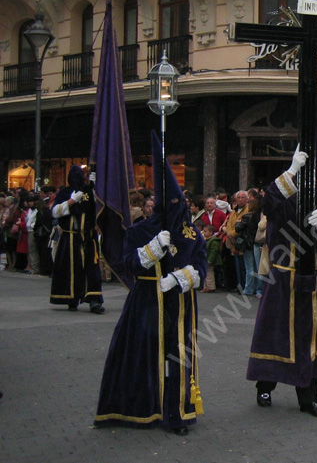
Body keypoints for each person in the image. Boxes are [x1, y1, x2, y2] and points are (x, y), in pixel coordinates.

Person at [95, 132, 207, 435]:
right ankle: (143, 406)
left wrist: (179, 278)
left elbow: (201, 268)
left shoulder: (192, 234)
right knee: (145, 356)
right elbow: (127, 263)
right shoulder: (140, 231)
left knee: (177, 358)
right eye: (167, 201)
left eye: (177, 200)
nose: (173, 205)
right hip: (146, 301)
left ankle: (176, 412)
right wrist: (152, 250)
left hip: (181, 305)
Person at [247, 148, 317, 418]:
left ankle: (309, 398)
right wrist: (291, 169)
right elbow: (269, 201)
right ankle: (265, 385)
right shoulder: (283, 202)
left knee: (309, 340)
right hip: (283, 281)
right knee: (275, 336)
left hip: (313, 284)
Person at [50, 166, 104, 314]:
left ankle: (94, 300)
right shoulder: (65, 193)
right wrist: (72, 201)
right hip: (71, 236)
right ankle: (72, 299)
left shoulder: (89, 190)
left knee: (92, 270)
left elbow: (98, 207)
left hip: (88, 237)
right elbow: (55, 212)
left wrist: (94, 188)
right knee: (71, 269)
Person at [203, 224, 222, 293]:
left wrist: (210, 260)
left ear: (211, 232)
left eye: (205, 231)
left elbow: (214, 251)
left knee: (209, 273)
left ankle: (210, 287)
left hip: (210, 260)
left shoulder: (214, 241)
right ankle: (206, 286)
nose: (204, 233)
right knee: (206, 273)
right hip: (205, 259)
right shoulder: (206, 240)